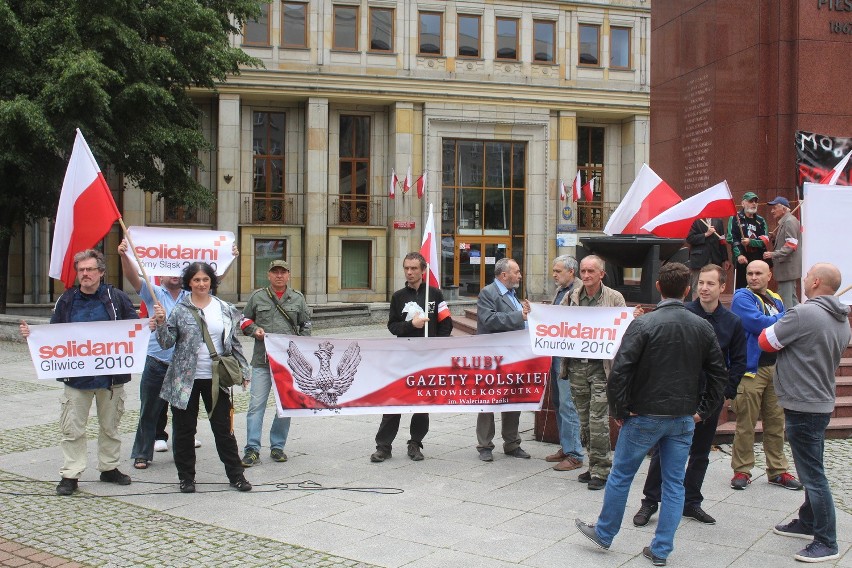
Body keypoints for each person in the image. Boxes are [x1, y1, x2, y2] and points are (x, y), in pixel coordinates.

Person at [575, 262, 727, 567]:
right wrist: (703, 411)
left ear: (658, 287)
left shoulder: (644, 324)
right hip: (682, 416)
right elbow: (719, 375)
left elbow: (620, 371)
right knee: (674, 483)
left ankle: (605, 533)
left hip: (645, 414)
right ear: (687, 290)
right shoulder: (702, 326)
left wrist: (620, 409)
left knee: (621, 475)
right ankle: (661, 548)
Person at [632, 264, 746, 527]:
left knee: (700, 453)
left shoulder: (732, 323)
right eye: (700, 284)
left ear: (722, 287)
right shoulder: (683, 314)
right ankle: (650, 501)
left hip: (711, 398)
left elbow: (738, 362)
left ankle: (691, 502)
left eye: (710, 284)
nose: (704, 288)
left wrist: (725, 394)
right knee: (664, 450)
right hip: (679, 396)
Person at [19, 249, 138, 496]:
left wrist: (153, 323)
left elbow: (134, 328)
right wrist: (34, 337)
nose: (84, 274)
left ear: (101, 272)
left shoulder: (117, 298)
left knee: (110, 425)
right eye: (81, 270)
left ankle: (109, 467)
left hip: (110, 377)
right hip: (76, 378)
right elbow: (54, 335)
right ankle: (71, 474)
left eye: (90, 270)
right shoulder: (67, 300)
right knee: (73, 428)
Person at [760, 263, 850, 563]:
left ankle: (827, 541)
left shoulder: (805, 313)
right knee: (813, 467)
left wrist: (781, 319)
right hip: (820, 401)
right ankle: (808, 520)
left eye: (809, 275)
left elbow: (766, 341)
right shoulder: (841, 320)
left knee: (814, 476)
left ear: (816, 281)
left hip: (802, 403)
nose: (805, 279)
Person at [153, 262, 252, 493]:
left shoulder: (224, 308)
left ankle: (236, 475)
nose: (201, 284)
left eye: (205, 280)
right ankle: (186, 477)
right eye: (196, 280)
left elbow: (233, 343)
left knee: (224, 429)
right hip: (184, 380)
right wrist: (160, 323)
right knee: (184, 430)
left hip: (216, 378)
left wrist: (244, 371)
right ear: (189, 282)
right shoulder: (179, 309)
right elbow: (167, 342)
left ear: (211, 282)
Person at [371, 252, 453, 463]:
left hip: (427, 359)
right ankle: (383, 446)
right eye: (406, 268)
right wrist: (411, 326)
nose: (409, 272)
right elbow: (392, 326)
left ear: (423, 270)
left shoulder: (435, 294)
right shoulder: (398, 296)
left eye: (414, 268)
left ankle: (415, 443)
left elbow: (447, 324)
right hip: (403, 357)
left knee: (421, 404)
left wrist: (436, 346)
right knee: (394, 401)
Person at [118, 239, 193, 469]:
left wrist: (230, 259)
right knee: (149, 410)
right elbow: (132, 278)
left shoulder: (191, 296)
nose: (175, 275)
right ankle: (142, 452)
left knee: (182, 413)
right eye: (170, 271)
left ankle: (183, 452)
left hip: (181, 364)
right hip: (157, 361)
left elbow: (214, 276)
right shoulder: (154, 292)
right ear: (161, 275)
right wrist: (124, 256)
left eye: (179, 271)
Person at [729, 260, 802, 491]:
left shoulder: (776, 298)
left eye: (758, 273)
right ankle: (742, 470)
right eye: (749, 273)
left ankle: (777, 471)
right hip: (751, 371)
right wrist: (788, 317)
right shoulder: (742, 297)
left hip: (776, 369)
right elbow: (758, 324)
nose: (753, 277)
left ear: (769, 275)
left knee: (776, 423)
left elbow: (783, 331)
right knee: (745, 424)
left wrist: (784, 320)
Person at [563, 255, 627, 490]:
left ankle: (602, 469)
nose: (586, 275)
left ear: (602, 273)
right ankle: (593, 464)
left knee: (597, 419)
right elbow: (556, 322)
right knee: (583, 420)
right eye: (583, 271)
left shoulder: (614, 298)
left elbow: (624, 329)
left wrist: (634, 319)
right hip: (577, 366)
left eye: (591, 271)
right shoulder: (571, 297)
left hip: (602, 368)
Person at [240, 259, 311, 467]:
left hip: (287, 364)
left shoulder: (297, 298)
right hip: (262, 360)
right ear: (269, 275)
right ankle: (252, 448)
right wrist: (255, 330)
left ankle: (277, 446)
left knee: (285, 406)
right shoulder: (258, 296)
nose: (279, 276)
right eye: (275, 272)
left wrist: (302, 346)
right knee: (256, 406)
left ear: (288, 275)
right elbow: (243, 320)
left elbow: (305, 323)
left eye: (283, 272)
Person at [475, 257, 532, 462]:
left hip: (513, 356)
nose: (520, 275)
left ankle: (512, 443)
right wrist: (520, 317)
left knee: (512, 398)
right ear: (504, 274)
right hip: (492, 357)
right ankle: (485, 445)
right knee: (488, 401)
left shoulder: (514, 294)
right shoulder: (488, 292)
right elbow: (489, 320)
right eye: (516, 272)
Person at [545, 255, 584, 472]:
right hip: (556, 353)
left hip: (569, 357)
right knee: (559, 402)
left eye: (558, 271)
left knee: (569, 405)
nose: (554, 274)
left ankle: (575, 453)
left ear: (571, 271)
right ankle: (566, 446)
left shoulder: (579, 290)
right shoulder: (561, 290)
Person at [763, 196, 802, 309]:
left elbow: (791, 246)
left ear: (784, 209)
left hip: (787, 269)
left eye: (775, 208)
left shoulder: (789, 222)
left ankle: (788, 324)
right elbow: (789, 242)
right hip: (787, 269)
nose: (772, 211)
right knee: (792, 300)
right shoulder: (787, 221)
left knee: (785, 302)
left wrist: (772, 254)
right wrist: (775, 237)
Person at [728, 192, 770, 290]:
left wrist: (751, 242)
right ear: (743, 203)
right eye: (751, 201)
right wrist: (739, 255)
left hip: (757, 258)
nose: (754, 204)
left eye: (755, 201)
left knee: (758, 287)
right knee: (742, 288)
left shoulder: (761, 220)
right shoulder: (735, 218)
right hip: (742, 259)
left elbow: (765, 239)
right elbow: (731, 238)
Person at [686, 218, 731, 299]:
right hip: (699, 259)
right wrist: (706, 234)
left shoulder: (718, 221)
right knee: (697, 284)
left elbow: (722, 240)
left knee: (716, 282)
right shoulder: (695, 220)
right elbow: (690, 238)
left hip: (715, 258)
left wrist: (725, 258)